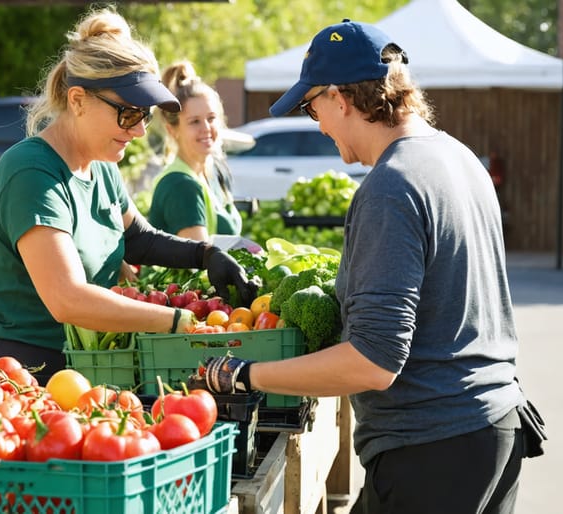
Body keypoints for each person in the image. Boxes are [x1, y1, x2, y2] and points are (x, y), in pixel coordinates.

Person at [203, 20, 527, 514]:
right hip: (493, 427)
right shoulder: (459, 158)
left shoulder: (391, 185)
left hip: (432, 450)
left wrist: (246, 375)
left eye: (312, 109)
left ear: (340, 97)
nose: (319, 124)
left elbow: (374, 362)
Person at [0, 7, 257, 383]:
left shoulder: (102, 166)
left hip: (90, 365)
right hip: (23, 370)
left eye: (145, 116)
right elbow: (66, 299)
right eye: (127, 114)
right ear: (77, 100)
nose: (138, 131)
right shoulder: (31, 172)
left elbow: (137, 239)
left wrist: (205, 254)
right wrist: (177, 321)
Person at [148, 60, 242, 242]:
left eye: (211, 118)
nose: (206, 128)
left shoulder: (213, 172)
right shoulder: (180, 185)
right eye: (194, 121)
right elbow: (199, 263)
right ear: (172, 130)